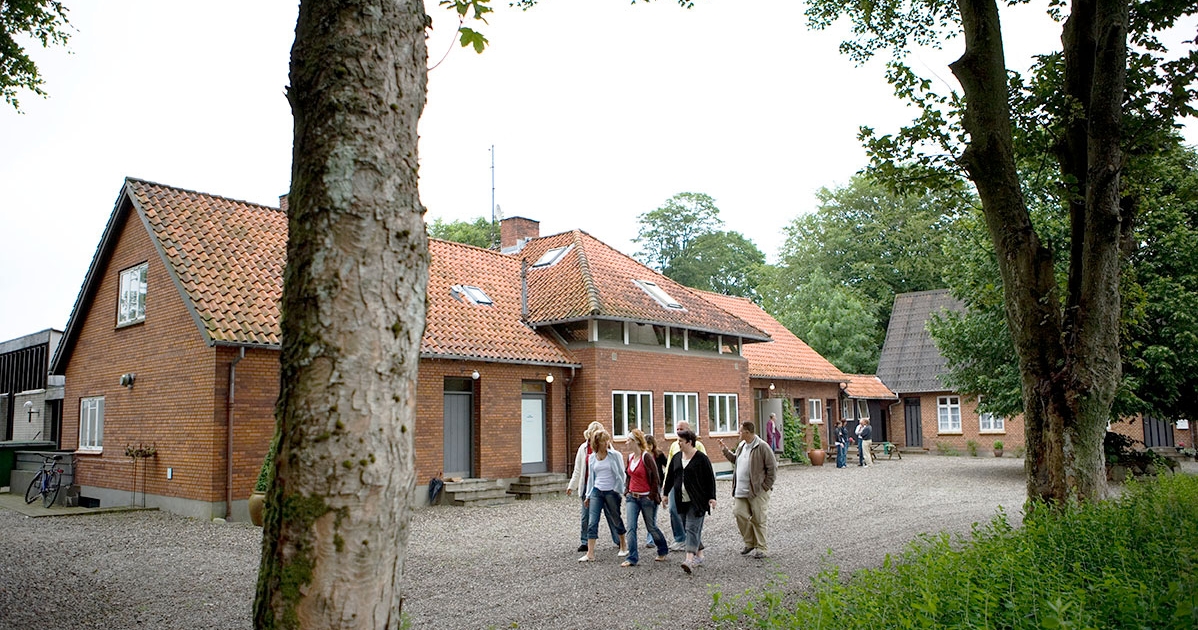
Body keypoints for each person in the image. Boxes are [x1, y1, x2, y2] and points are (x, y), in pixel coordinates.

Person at [717, 421, 777, 559]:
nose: (739, 433)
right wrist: (725, 450)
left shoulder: (762, 447)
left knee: (759, 519)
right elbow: (736, 460)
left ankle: (762, 548)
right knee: (739, 514)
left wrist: (765, 487)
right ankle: (750, 542)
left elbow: (772, 469)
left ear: (747, 433)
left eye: (740, 431)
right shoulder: (742, 446)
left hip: (757, 491)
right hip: (741, 490)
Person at [662, 429, 716, 574]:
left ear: (689, 442)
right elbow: (670, 478)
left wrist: (712, 497)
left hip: (698, 500)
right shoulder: (677, 457)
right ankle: (699, 555)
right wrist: (665, 494)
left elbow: (709, 478)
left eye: (680, 441)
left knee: (691, 527)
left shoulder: (701, 459)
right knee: (689, 527)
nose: (678, 443)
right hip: (681, 499)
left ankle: (689, 560)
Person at [566, 421, 619, 552]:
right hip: (587, 485)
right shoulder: (583, 449)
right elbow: (578, 469)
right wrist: (572, 485)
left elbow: (616, 468)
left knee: (612, 514)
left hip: (606, 485)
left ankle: (619, 539)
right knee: (586, 516)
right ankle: (585, 541)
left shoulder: (609, 448)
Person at [621, 429, 669, 567]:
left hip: (646, 498)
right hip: (632, 497)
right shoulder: (630, 457)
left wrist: (652, 495)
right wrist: (627, 491)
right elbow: (628, 475)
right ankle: (632, 557)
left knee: (651, 526)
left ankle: (662, 549)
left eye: (628, 440)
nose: (626, 443)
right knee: (631, 527)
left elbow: (655, 477)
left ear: (635, 442)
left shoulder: (646, 457)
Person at [579, 430, 628, 562]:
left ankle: (623, 545)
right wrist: (588, 495)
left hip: (611, 491)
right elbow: (591, 478)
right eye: (603, 441)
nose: (606, 443)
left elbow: (621, 474)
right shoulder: (592, 458)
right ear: (597, 443)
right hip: (597, 491)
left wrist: (620, 490)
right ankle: (590, 553)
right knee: (592, 521)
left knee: (615, 518)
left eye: (607, 440)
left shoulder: (615, 455)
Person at [665, 420, 706, 551]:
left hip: (692, 487)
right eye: (677, 429)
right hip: (675, 484)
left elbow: (704, 465)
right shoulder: (674, 445)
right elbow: (670, 465)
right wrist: (666, 485)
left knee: (691, 516)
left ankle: (692, 542)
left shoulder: (698, 445)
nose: (678, 431)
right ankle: (680, 538)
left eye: (681, 429)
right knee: (673, 509)